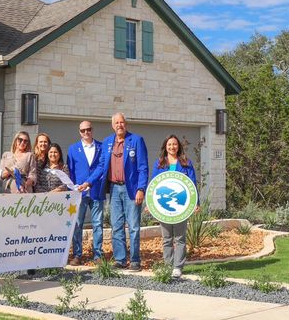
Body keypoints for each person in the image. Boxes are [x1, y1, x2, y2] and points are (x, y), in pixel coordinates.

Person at [82, 113, 148, 271]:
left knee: (133, 226)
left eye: (122, 122)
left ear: (126, 124)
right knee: (116, 225)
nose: (119, 125)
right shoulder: (107, 142)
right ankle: (120, 259)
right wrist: (89, 181)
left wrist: (141, 189)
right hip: (114, 188)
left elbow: (143, 168)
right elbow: (101, 166)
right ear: (113, 126)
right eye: (116, 123)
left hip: (131, 189)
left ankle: (135, 260)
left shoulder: (136, 140)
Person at [152, 134, 198, 278]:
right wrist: (150, 203)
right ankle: (168, 265)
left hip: (181, 206)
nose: (172, 147)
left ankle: (178, 266)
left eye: (175, 144)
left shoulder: (186, 163)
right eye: (169, 144)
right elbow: (154, 185)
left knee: (179, 238)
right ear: (165, 147)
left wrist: (196, 203)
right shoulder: (159, 164)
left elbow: (193, 184)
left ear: (179, 146)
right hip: (164, 207)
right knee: (167, 239)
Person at [67, 121, 105, 266]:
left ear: (92, 130)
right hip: (79, 193)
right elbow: (70, 170)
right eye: (83, 130)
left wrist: (89, 182)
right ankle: (77, 254)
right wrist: (74, 189)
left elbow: (101, 167)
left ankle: (98, 255)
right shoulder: (73, 149)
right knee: (77, 224)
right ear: (79, 132)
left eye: (88, 129)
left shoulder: (101, 147)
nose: (86, 132)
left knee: (97, 224)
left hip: (96, 191)